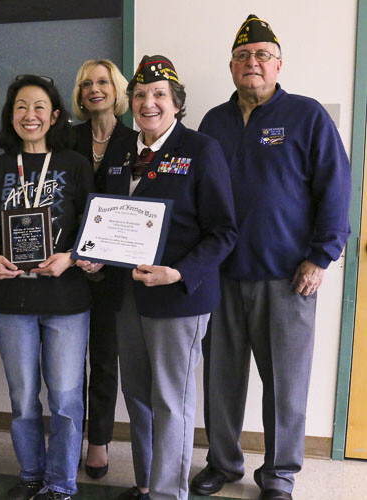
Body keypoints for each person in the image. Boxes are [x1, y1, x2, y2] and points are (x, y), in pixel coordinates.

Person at [190, 15, 351, 500]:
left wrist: (321, 257)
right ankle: (222, 462)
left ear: (278, 64)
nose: (252, 63)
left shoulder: (307, 116)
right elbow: (195, 195)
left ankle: (280, 474)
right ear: (232, 67)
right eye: (242, 56)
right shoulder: (213, 122)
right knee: (221, 379)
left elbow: (336, 189)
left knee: (285, 384)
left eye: (261, 55)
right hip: (220, 276)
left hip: (288, 277)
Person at [95, 55, 237, 500]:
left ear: (176, 103)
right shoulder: (121, 150)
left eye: (159, 95)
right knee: (137, 396)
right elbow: (104, 215)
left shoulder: (201, 149)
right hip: (127, 297)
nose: (148, 103)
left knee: (171, 402)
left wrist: (179, 272)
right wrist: (94, 254)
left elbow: (224, 231)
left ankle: (168, 493)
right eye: (139, 95)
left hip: (178, 299)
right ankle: (145, 482)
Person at [0, 74, 94, 500]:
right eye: (21, 106)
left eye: (40, 106)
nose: (30, 115)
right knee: (23, 397)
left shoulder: (76, 164)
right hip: (12, 299)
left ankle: (61, 482)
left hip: (67, 300)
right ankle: (30, 474)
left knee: (64, 397)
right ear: (11, 115)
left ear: (55, 115)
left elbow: (92, 230)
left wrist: (72, 257)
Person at [70, 59, 143, 483]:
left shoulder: (137, 143)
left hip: (115, 273)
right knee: (65, 361)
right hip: (67, 268)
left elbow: (138, 210)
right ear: (79, 94)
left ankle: (98, 440)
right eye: (86, 84)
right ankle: (68, 436)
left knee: (104, 357)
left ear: (117, 90)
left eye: (103, 82)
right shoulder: (66, 138)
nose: (94, 89)